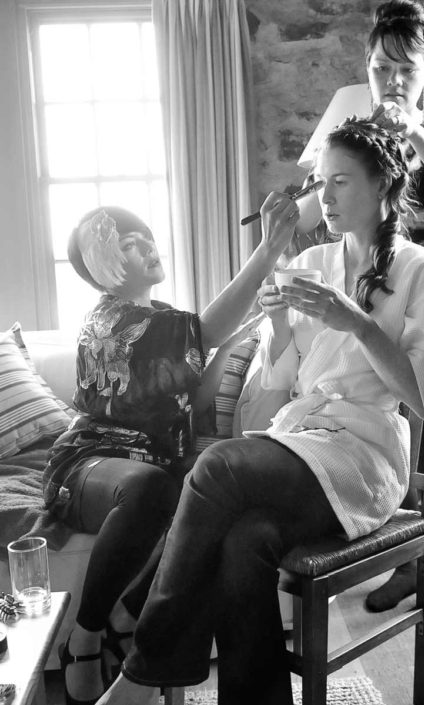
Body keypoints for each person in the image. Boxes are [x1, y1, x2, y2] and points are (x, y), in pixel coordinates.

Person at [95, 117, 424, 705]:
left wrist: (357, 322)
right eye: (321, 182)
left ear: (384, 185)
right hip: (303, 439)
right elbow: (285, 382)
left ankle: (138, 664)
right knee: (244, 543)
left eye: (340, 181)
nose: (325, 197)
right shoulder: (312, 261)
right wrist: (277, 320)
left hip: (366, 455)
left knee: (217, 466)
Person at [296, 0, 424, 632]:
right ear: (366, 67)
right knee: (396, 439)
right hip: (375, 295)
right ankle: (408, 562)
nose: (392, 80)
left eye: (405, 69)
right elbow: (315, 210)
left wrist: (412, 127)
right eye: (381, 68)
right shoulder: (356, 130)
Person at [42, 198, 298, 705]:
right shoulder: (109, 319)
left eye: (147, 237)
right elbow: (206, 329)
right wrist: (269, 249)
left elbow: (194, 403)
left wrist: (235, 342)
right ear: (102, 265)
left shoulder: (163, 317)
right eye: (128, 244)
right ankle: (85, 635)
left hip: (158, 469)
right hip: (90, 462)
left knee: (212, 498)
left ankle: (127, 619)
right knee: (152, 486)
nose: (147, 246)